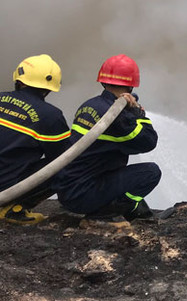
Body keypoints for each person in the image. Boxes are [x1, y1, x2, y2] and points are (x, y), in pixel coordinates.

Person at [53, 54, 160, 222]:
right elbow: (148, 141)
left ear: (103, 81)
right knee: (151, 173)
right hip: (84, 196)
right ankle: (106, 213)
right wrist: (138, 114)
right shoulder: (117, 117)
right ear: (131, 85)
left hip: (68, 190)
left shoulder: (90, 105)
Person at [0, 54, 71, 225]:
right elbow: (62, 156)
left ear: (19, 79)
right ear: (50, 87)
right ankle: (13, 209)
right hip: (6, 187)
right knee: (65, 164)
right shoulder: (50, 116)